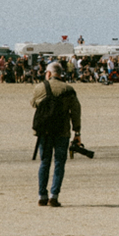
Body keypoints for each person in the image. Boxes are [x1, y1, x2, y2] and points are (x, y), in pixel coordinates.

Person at [30, 61, 82, 207]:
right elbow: (76, 111)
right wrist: (77, 132)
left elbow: (33, 104)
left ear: (48, 73)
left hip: (44, 131)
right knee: (59, 163)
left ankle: (42, 195)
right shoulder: (68, 89)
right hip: (62, 131)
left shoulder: (40, 87)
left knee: (44, 162)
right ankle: (54, 195)